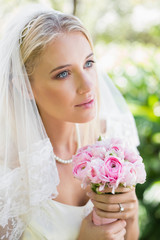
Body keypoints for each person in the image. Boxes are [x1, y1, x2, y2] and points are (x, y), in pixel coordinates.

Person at [0, 4, 140, 240]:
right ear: (24, 87)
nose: (87, 85)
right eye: (63, 73)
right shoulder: (11, 182)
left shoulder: (114, 142)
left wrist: (132, 215)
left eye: (89, 63)